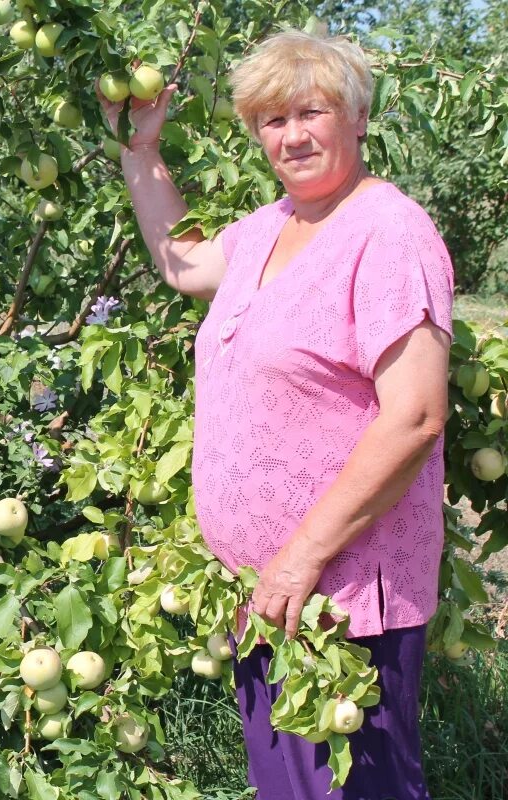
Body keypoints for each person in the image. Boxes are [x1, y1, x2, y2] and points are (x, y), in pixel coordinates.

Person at [96, 31, 451, 799]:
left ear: (357, 116)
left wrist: (301, 557)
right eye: (271, 120)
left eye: (310, 112)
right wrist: (141, 152)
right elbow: (181, 263)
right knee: (291, 787)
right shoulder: (274, 225)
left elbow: (416, 417)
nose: (292, 136)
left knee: (360, 787)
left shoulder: (388, 233)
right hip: (267, 592)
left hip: (342, 595)